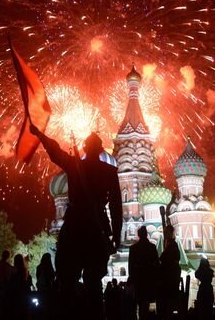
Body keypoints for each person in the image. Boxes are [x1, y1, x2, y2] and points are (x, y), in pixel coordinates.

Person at [30, 125, 122, 320]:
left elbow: (55, 152)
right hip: (96, 227)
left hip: (74, 224)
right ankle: (95, 314)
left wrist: (40, 135)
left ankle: (67, 313)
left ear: (85, 148)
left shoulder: (74, 165)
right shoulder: (109, 171)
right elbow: (116, 206)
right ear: (100, 149)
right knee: (94, 282)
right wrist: (116, 235)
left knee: (68, 281)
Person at [128, 226, 158, 320]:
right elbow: (156, 265)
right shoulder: (152, 247)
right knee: (147, 304)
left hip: (138, 281)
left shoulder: (134, 248)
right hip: (149, 281)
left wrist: (133, 279)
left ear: (139, 235)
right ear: (146, 235)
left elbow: (131, 267)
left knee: (140, 303)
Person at [157, 225, 181, 320]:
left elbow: (165, 257)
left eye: (166, 233)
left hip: (170, 276)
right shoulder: (170, 244)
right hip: (171, 275)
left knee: (170, 299)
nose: (165, 235)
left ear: (170, 233)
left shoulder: (172, 245)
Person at [9, 254, 32, 320]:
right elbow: (28, 283)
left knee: (16, 313)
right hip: (24, 294)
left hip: (15, 294)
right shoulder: (25, 270)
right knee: (24, 313)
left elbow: (10, 282)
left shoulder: (13, 270)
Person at [35, 253, 56, 319]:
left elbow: (37, 277)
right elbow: (52, 278)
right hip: (48, 289)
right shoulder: (49, 268)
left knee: (40, 304)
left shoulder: (39, 267)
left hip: (40, 289)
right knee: (47, 306)